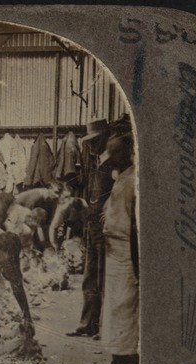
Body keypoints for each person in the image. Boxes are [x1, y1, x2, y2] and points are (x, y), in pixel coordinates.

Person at [96, 132, 138, 364]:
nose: (112, 157)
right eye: (110, 152)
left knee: (125, 306)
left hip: (126, 252)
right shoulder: (120, 177)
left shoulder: (134, 180)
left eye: (117, 152)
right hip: (113, 249)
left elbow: (136, 224)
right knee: (113, 307)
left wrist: (137, 263)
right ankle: (116, 359)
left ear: (129, 152)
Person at [68, 120, 115, 338]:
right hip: (93, 226)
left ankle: (102, 325)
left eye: (95, 141)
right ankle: (87, 323)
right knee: (90, 276)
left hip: (105, 228)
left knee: (102, 277)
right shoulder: (98, 163)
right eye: (90, 142)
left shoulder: (113, 165)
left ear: (104, 139)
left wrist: (107, 210)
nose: (92, 145)